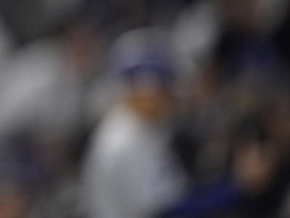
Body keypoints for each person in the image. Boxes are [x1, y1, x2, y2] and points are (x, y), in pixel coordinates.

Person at [80, 28, 276, 218]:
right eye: (165, 87)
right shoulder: (126, 142)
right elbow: (171, 212)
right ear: (146, 88)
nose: (170, 96)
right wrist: (236, 185)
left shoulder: (135, 126)